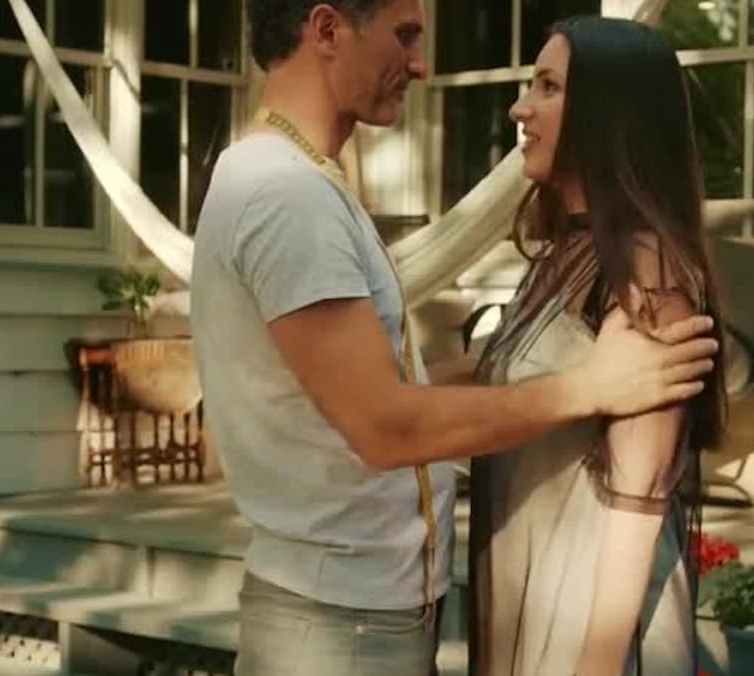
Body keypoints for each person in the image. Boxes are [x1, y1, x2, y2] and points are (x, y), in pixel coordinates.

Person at [189, 1, 722, 674]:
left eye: (548, 87)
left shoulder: (634, 268)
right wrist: (587, 387)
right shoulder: (286, 193)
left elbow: (636, 501)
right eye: (405, 35)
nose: (420, 64)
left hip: (531, 620)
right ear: (325, 30)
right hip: (341, 625)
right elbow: (385, 424)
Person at [466, 16, 726, 676]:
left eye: (549, 87)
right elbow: (503, 375)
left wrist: (597, 665)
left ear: (610, 114)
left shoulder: (650, 271)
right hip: (534, 602)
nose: (519, 108)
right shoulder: (567, 255)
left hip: (591, 632)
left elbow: (640, 496)